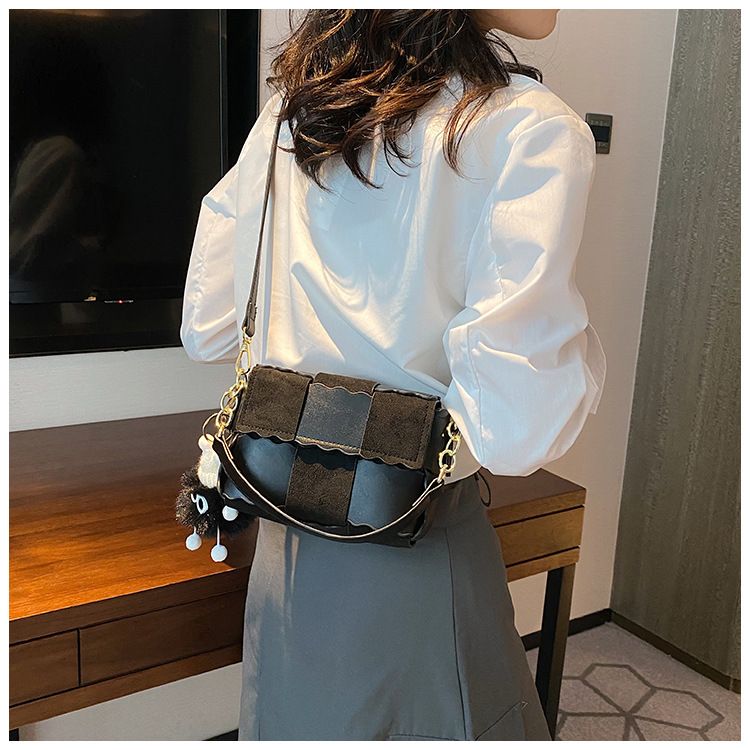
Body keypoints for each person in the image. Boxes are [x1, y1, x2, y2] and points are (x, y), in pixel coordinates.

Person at [180, 9, 606, 741]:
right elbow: (515, 432)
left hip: (286, 552)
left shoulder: (291, 116)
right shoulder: (528, 127)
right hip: (419, 559)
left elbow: (208, 328)